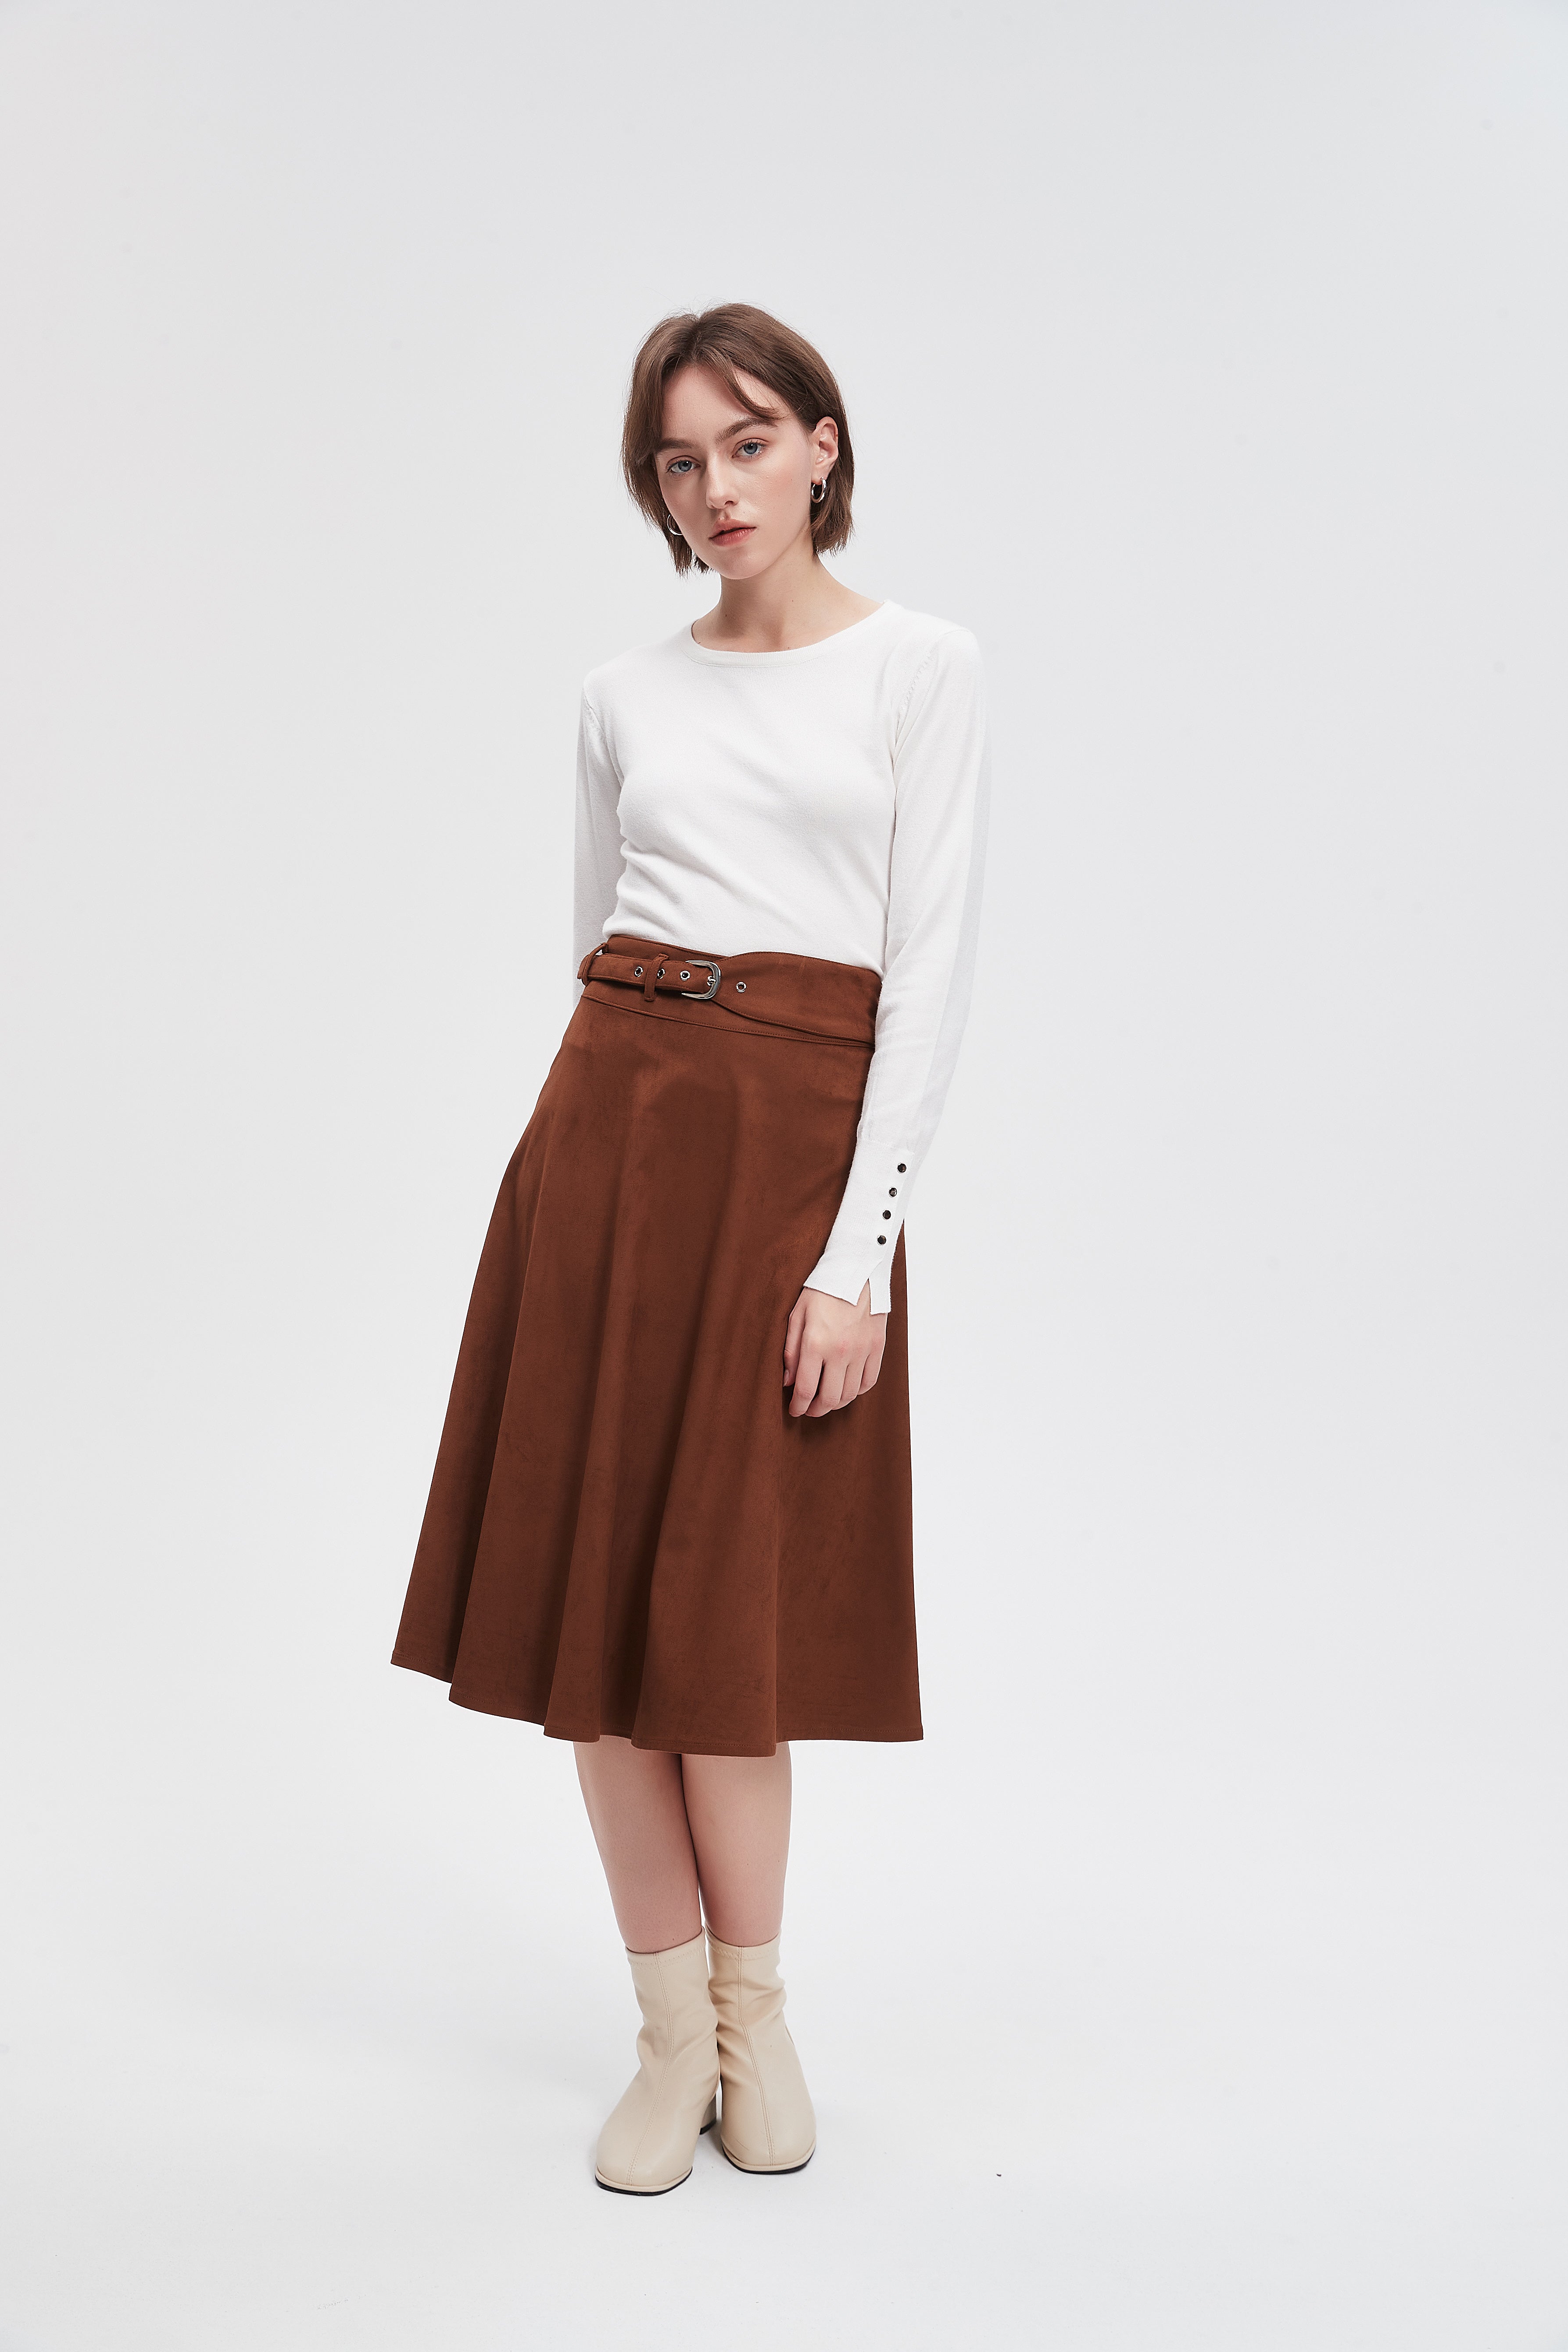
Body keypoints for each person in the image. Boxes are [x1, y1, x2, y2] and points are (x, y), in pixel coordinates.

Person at [391, 302, 989, 2194]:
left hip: (794, 1169)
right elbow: (600, 941)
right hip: (612, 1144)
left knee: (723, 1628)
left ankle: (756, 2017)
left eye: (747, 441)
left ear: (822, 442)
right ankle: (668, 2038)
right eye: (678, 460)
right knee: (598, 1625)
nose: (716, 487)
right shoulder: (620, 696)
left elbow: (932, 976)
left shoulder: (923, 666)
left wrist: (858, 1256)